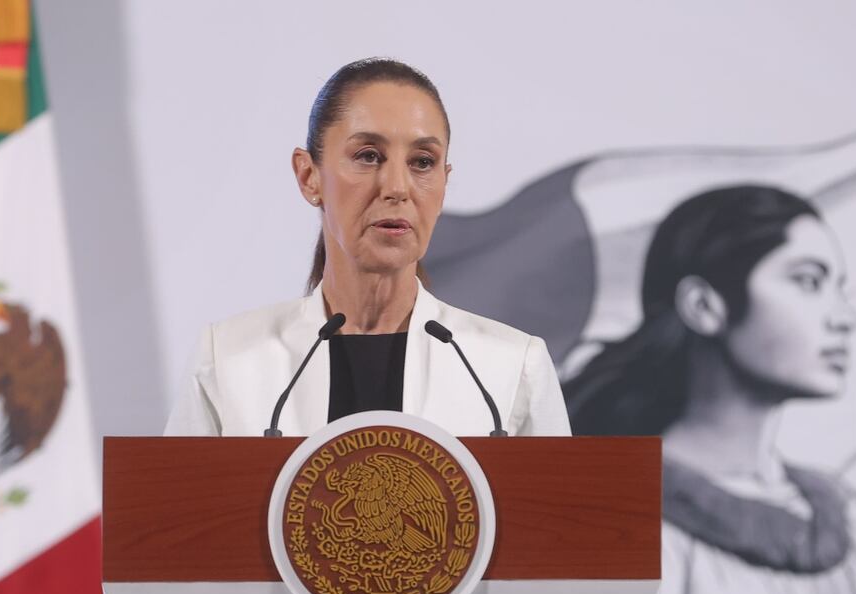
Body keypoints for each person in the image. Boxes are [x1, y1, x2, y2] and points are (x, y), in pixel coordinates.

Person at [564, 185, 856, 594]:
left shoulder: (834, 507)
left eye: (840, 287)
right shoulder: (623, 508)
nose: (844, 317)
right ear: (705, 306)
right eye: (809, 281)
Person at [164, 58, 569, 438]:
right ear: (309, 176)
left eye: (423, 162)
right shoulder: (229, 359)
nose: (396, 187)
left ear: (444, 183)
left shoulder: (510, 367)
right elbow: (173, 511)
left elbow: (557, 514)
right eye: (368, 155)